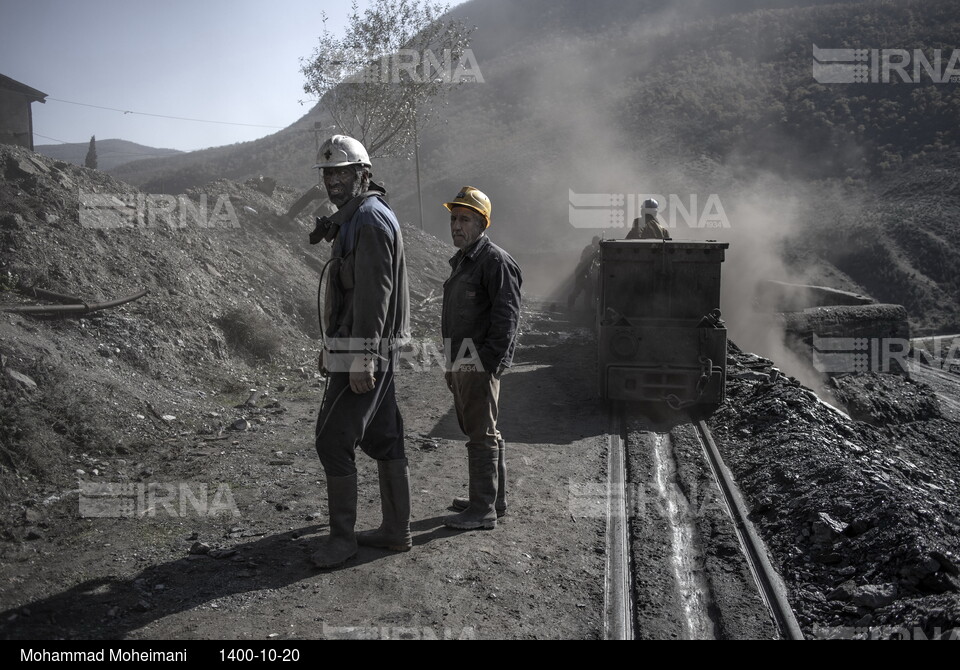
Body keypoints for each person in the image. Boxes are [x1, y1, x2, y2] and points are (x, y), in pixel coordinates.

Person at [309, 135, 411, 568]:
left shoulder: (368, 220)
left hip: (365, 348)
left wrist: (363, 357)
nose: (334, 181)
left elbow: (374, 294)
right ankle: (395, 530)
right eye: (329, 173)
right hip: (354, 344)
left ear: (363, 174)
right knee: (384, 437)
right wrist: (332, 347)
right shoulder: (355, 217)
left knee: (332, 440)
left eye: (343, 172)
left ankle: (342, 540)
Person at [441, 187, 522, 530]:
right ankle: (492, 499)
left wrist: (487, 364)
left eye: (465, 219)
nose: (456, 226)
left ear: (482, 223)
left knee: (480, 435)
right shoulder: (465, 259)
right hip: (463, 358)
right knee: (483, 429)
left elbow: (507, 319)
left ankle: (482, 510)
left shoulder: (495, 261)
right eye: (453, 219)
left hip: (478, 361)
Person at [567, 236, 601, 310]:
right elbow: (585, 259)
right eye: (598, 242)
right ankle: (571, 304)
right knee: (579, 289)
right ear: (595, 242)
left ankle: (586, 306)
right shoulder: (590, 248)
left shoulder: (594, 249)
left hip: (585, 270)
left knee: (589, 289)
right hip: (582, 270)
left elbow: (594, 261)